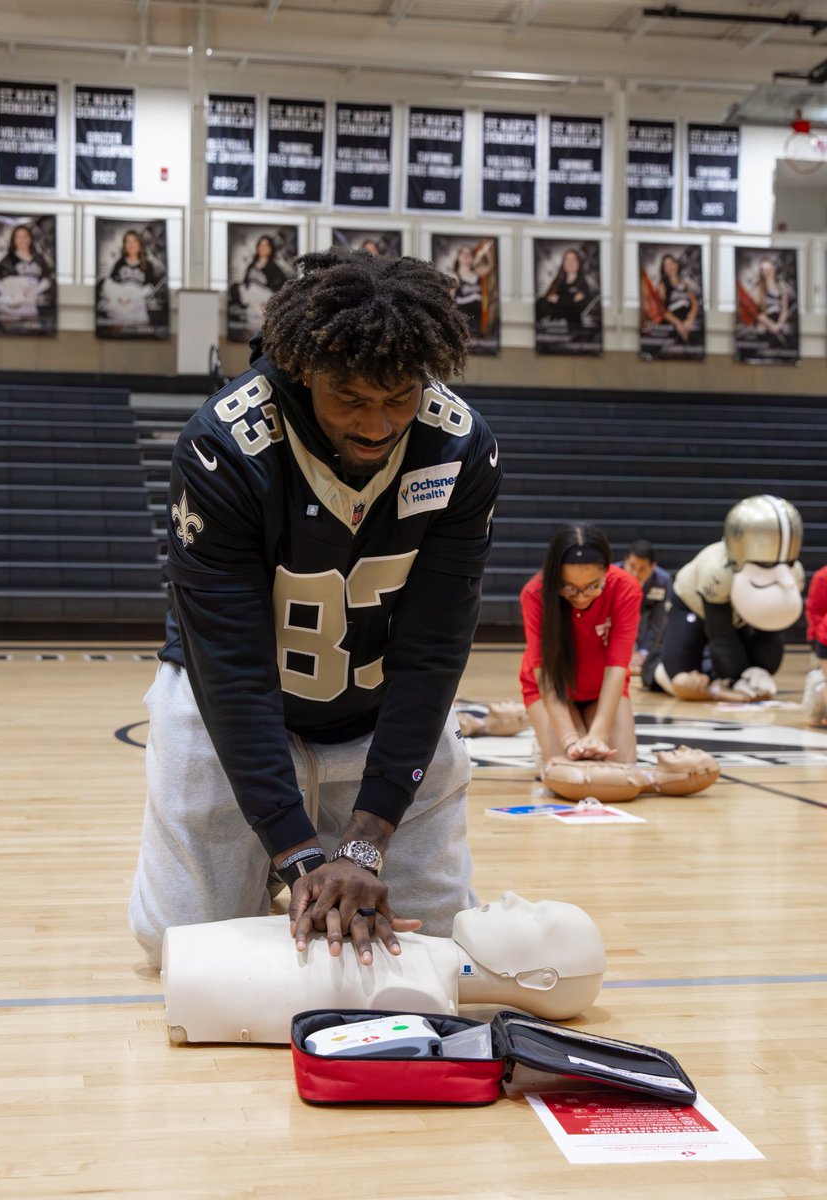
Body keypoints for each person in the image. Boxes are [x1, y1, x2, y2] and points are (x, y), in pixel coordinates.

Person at [129, 247, 503, 969]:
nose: (377, 424)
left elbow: (433, 654)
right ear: (304, 370)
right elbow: (232, 673)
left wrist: (365, 843)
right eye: (352, 399)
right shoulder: (222, 448)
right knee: (177, 945)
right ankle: (259, 858)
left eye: (399, 398)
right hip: (233, 704)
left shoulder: (459, 447)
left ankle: (299, 845)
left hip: (374, 706)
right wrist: (302, 860)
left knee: (437, 942)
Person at [162, 890, 606, 1044]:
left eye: (536, 915)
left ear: (537, 978)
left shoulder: (424, 992)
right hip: (194, 961)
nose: (512, 898)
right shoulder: (427, 966)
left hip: (194, 978)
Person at [643, 495, 805, 701]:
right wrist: (736, 679)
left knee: (741, 662)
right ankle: (653, 664)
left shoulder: (793, 573)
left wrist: (761, 670)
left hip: (739, 613)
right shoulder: (717, 570)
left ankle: (720, 674)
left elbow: (772, 630)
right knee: (679, 676)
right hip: (692, 605)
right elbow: (720, 634)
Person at [519, 524, 642, 770]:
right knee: (567, 769)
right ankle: (543, 741)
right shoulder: (535, 594)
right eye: (569, 587)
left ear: (607, 571)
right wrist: (569, 739)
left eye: (592, 586)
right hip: (552, 691)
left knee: (622, 769)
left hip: (602, 689)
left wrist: (598, 734)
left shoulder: (626, 589)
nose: (582, 596)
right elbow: (543, 674)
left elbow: (617, 666)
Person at [542, 746, 720, 803]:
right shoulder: (632, 778)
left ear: (693, 775)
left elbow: (553, 770)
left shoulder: (629, 782)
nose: (683, 747)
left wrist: (573, 747)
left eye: (693, 753)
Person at [616, 538, 671, 674]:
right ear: (625, 561)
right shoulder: (612, 576)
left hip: (644, 624)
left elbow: (658, 620)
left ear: (653, 567)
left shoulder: (662, 581)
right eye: (632, 566)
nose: (635, 574)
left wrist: (643, 652)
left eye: (642, 569)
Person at [0, 223, 52, 323]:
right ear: (13, 240)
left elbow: (47, 279)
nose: (22, 240)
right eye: (18, 237)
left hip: (30, 307)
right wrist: (5, 293)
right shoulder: (9, 258)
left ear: (30, 238)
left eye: (25, 236)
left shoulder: (38, 258)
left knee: (34, 333)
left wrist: (35, 291)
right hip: (9, 308)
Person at [99, 229, 165, 329]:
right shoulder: (119, 263)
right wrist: (119, 297)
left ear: (140, 244)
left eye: (134, 241)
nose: (131, 244)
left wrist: (133, 297)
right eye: (128, 242)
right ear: (124, 245)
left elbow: (150, 287)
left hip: (138, 313)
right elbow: (109, 284)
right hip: (119, 312)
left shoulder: (148, 265)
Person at [228, 234, 290, 331]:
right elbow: (245, 283)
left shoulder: (274, 268)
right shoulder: (251, 266)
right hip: (250, 302)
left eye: (266, 245)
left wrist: (270, 302)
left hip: (265, 302)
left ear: (271, 249)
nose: (263, 248)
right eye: (260, 245)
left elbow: (281, 288)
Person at [448, 240, 495, 341]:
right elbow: (451, 299)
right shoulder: (455, 276)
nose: (466, 256)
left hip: (477, 319)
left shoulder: (477, 273)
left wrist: (486, 251)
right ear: (458, 256)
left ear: (473, 257)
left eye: (469, 254)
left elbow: (490, 266)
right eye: (463, 253)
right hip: (463, 318)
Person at [536, 247, 590, 331]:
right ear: (563, 263)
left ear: (579, 263)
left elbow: (577, 304)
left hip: (572, 325)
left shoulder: (583, 284)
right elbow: (548, 298)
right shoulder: (558, 281)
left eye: (574, 259)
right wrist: (569, 299)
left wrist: (559, 299)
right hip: (553, 324)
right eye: (567, 260)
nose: (570, 263)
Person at [656, 252, 699, 345]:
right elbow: (661, 309)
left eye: (672, 263)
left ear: (677, 265)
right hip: (673, 320)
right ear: (664, 269)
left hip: (688, 319)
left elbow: (694, 303)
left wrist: (690, 319)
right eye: (666, 265)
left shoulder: (684, 283)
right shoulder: (662, 286)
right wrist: (677, 323)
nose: (670, 266)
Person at [803, 563, 827, 727]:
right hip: (823, 641)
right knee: (814, 718)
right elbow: (815, 613)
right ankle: (818, 684)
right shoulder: (823, 577)